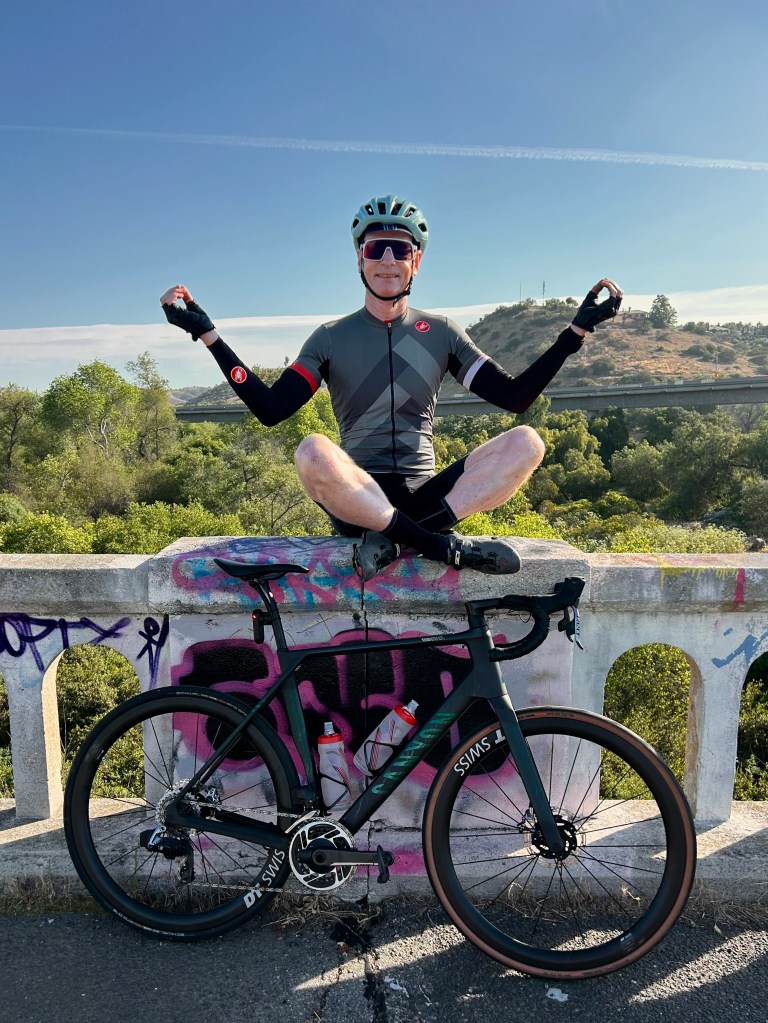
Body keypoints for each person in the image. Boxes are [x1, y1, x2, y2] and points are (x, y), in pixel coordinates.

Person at [161, 194, 622, 580]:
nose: (387, 260)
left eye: (399, 250)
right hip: (358, 497)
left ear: (416, 260)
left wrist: (575, 333)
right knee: (311, 451)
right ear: (359, 258)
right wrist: (209, 336)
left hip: (429, 495)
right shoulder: (330, 338)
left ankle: (397, 539)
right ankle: (437, 546)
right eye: (375, 248)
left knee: (528, 443)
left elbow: (515, 398)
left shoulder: (442, 333)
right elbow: (271, 408)